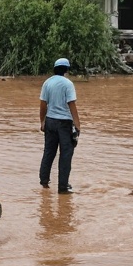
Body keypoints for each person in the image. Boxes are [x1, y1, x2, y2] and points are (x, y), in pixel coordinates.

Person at [38, 57, 80, 193]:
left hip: (50, 121)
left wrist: (42, 121)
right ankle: (63, 187)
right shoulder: (68, 84)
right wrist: (78, 125)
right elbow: (71, 104)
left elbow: (43, 104)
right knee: (66, 154)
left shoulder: (47, 83)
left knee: (49, 152)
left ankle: (44, 182)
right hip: (64, 123)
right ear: (66, 70)